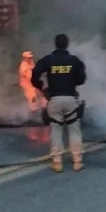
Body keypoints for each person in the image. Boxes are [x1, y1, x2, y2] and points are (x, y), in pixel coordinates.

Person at [31, 34, 87, 173]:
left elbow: (35, 74)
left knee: (56, 130)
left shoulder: (48, 60)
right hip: (70, 99)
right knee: (74, 129)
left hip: (54, 100)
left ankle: (57, 163)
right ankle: (77, 161)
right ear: (67, 44)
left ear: (55, 44)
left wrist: (40, 86)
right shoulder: (74, 61)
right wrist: (72, 80)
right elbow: (81, 79)